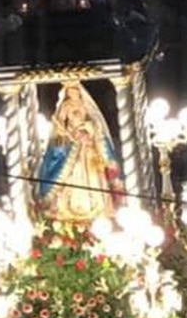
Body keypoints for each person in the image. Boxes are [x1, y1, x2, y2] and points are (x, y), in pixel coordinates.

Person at [36, 82, 122, 223]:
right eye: (70, 91)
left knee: (93, 180)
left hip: (88, 149)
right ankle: (67, 214)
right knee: (71, 177)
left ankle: (99, 212)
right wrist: (64, 131)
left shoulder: (84, 105)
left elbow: (94, 124)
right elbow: (60, 122)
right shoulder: (65, 106)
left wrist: (87, 132)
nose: (73, 93)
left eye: (75, 90)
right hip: (72, 147)